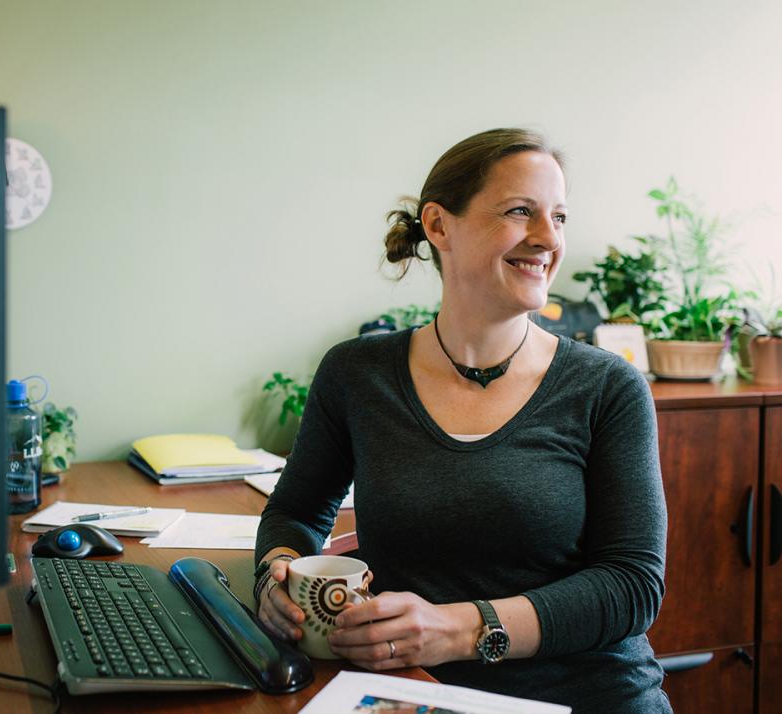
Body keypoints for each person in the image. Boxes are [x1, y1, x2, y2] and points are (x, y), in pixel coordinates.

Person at [253, 128, 671, 712]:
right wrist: (278, 577)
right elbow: (297, 512)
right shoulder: (356, 373)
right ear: (438, 224)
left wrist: (458, 630)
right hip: (409, 695)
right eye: (520, 211)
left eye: (560, 217)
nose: (549, 239)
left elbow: (632, 585)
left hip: (587, 695)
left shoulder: (607, 387)